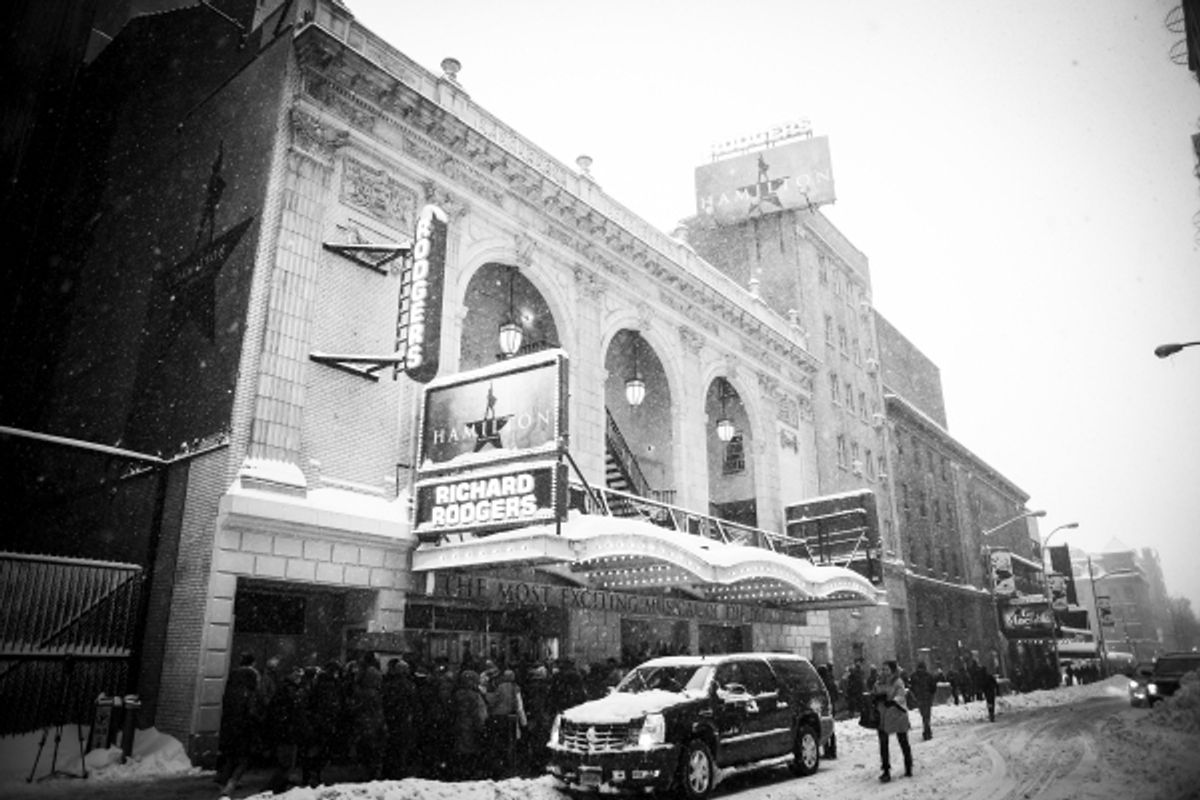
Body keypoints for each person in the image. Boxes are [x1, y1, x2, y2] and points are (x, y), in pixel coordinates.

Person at [215, 652, 261, 796]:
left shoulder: (233, 683)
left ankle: (223, 779)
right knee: (244, 758)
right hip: (243, 728)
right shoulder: (249, 688)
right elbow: (252, 710)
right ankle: (231, 783)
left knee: (232, 756)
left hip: (230, 726)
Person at [872, 660, 913, 782]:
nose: (883, 671)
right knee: (883, 744)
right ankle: (885, 770)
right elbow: (873, 693)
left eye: (886, 669)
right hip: (882, 716)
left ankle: (908, 765)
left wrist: (893, 701)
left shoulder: (898, 682)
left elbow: (901, 695)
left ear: (892, 670)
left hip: (897, 715)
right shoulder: (878, 682)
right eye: (882, 669)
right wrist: (875, 698)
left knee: (903, 741)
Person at [909, 661, 937, 741]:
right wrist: (931, 695)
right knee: (927, 715)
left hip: (919, 698)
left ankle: (926, 731)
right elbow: (933, 687)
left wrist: (915, 696)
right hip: (927, 698)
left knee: (924, 715)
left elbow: (911, 687)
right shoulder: (928, 676)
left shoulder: (914, 676)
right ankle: (927, 732)